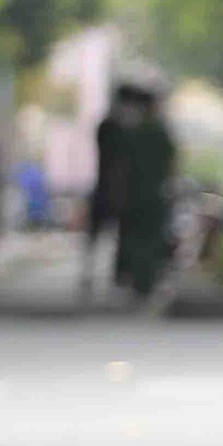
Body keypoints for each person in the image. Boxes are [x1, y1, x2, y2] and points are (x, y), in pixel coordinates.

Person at [89, 77, 176, 299]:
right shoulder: (155, 131)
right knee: (145, 239)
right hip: (150, 195)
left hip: (130, 195)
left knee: (133, 239)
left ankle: (133, 278)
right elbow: (171, 163)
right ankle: (141, 281)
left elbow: (119, 165)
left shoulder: (126, 131)